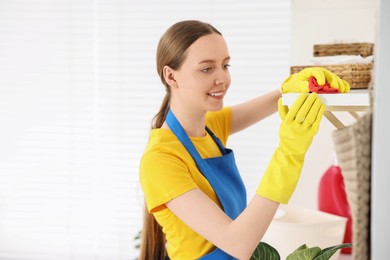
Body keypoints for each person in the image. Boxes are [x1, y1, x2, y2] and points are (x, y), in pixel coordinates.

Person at [139, 20, 350, 260]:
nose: (223, 79)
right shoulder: (160, 160)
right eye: (207, 69)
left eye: (225, 65)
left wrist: (290, 89)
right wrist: (290, 153)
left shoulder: (210, 126)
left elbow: (262, 106)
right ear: (171, 76)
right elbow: (237, 243)